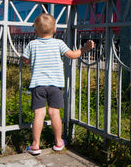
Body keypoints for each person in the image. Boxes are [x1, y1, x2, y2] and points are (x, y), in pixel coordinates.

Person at [22, 13, 94, 155]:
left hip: (38, 85)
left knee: (39, 114)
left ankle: (35, 145)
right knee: (54, 113)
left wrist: (32, 61)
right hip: (55, 85)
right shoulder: (59, 43)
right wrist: (85, 49)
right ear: (55, 30)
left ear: (35, 31)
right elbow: (73, 55)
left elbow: (25, 59)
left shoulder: (32, 44)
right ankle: (59, 142)